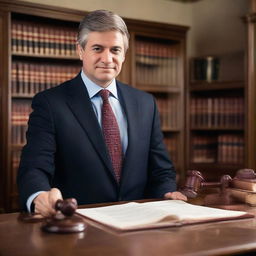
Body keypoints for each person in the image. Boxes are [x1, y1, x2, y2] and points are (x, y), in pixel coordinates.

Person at [17, 9, 187, 217]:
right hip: (78, 226)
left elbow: (161, 169)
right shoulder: (50, 103)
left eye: (115, 50)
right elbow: (34, 168)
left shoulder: (146, 103)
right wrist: (39, 196)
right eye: (97, 48)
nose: (107, 59)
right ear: (80, 51)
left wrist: (167, 193)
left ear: (124, 54)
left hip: (138, 229)